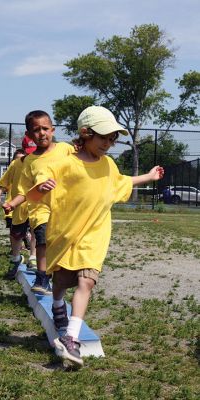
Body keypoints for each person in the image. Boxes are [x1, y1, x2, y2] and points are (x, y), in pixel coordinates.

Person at [26, 106, 164, 366]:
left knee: (86, 282)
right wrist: (43, 183)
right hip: (67, 234)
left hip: (95, 234)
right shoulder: (65, 161)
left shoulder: (109, 165)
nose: (108, 144)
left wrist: (149, 176)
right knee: (63, 281)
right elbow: (44, 172)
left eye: (112, 139)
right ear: (85, 133)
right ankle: (57, 304)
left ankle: (70, 338)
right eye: (103, 137)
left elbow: (121, 182)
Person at [3, 110, 75, 294]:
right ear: (29, 135)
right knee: (41, 239)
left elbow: (82, 162)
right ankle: (42, 277)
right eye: (36, 130)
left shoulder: (65, 149)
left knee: (61, 243)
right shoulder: (29, 162)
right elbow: (25, 192)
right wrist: (12, 203)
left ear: (53, 130)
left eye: (45, 128)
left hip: (65, 207)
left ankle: (62, 272)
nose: (41, 133)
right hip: (40, 208)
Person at [0, 149, 37, 279]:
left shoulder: (39, 163)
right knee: (16, 234)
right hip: (16, 204)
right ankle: (16, 258)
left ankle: (33, 258)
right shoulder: (16, 164)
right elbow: (4, 181)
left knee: (36, 231)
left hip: (36, 204)